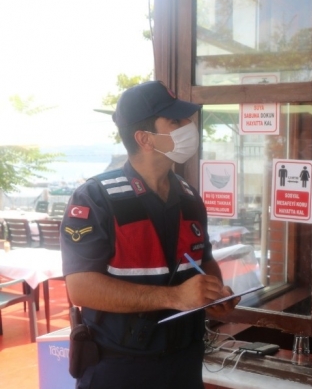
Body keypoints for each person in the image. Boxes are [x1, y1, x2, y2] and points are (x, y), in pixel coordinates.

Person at [62, 80, 238, 389]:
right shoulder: (95, 197)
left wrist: (214, 294)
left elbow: (204, 260)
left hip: (185, 363)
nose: (189, 126)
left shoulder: (189, 197)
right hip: (119, 369)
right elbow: (81, 288)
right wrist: (175, 297)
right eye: (175, 121)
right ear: (144, 138)